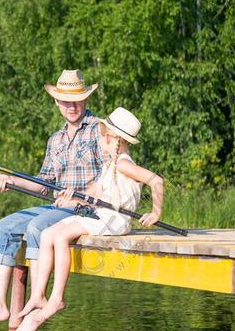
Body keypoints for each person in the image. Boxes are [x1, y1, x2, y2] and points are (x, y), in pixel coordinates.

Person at [0, 69, 104, 330]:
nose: (71, 106)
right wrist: (10, 180)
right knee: (2, 228)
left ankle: (38, 297)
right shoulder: (55, 139)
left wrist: (81, 196)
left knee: (37, 226)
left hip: (84, 209)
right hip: (55, 207)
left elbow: (110, 174)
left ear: (86, 99)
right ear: (57, 102)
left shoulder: (99, 130)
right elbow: (43, 184)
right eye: (65, 100)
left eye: (76, 99)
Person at [16, 107, 165, 331]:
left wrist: (155, 213)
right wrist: (72, 197)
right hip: (102, 215)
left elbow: (156, 181)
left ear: (109, 138)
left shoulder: (124, 164)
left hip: (115, 219)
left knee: (61, 236)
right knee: (48, 234)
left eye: (100, 136)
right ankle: (38, 295)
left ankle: (57, 298)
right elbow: (95, 192)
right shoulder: (111, 165)